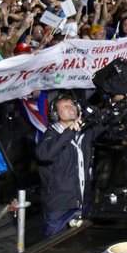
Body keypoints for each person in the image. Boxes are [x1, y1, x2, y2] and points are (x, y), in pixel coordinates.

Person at [35, 91, 106, 237]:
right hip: (60, 207)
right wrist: (69, 132)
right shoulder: (50, 136)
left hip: (83, 202)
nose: (71, 108)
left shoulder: (84, 133)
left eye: (73, 105)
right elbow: (44, 154)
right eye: (65, 106)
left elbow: (106, 128)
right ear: (55, 114)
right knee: (53, 249)